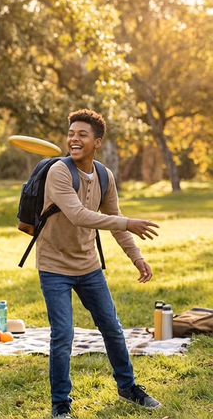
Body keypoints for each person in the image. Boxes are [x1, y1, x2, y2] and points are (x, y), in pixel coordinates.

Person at [37, 109, 162, 418]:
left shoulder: (104, 175)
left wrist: (137, 257)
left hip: (88, 265)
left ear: (97, 142)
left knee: (112, 327)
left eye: (82, 134)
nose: (73, 139)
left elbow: (114, 222)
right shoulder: (59, 172)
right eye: (71, 134)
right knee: (63, 334)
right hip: (54, 264)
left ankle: (127, 387)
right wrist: (127, 221)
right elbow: (79, 215)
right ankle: (60, 404)